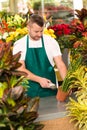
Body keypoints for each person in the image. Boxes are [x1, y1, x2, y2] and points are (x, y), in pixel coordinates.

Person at [13, 14, 67, 98]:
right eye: (36, 31)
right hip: (28, 92)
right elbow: (20, 69)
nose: (39, 34)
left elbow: (60, 64)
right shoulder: (20, 44)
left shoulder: (51, 42)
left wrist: (67, 84)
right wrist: (39, 80)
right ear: (28, 27)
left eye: (41, 31)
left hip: (50, 92)